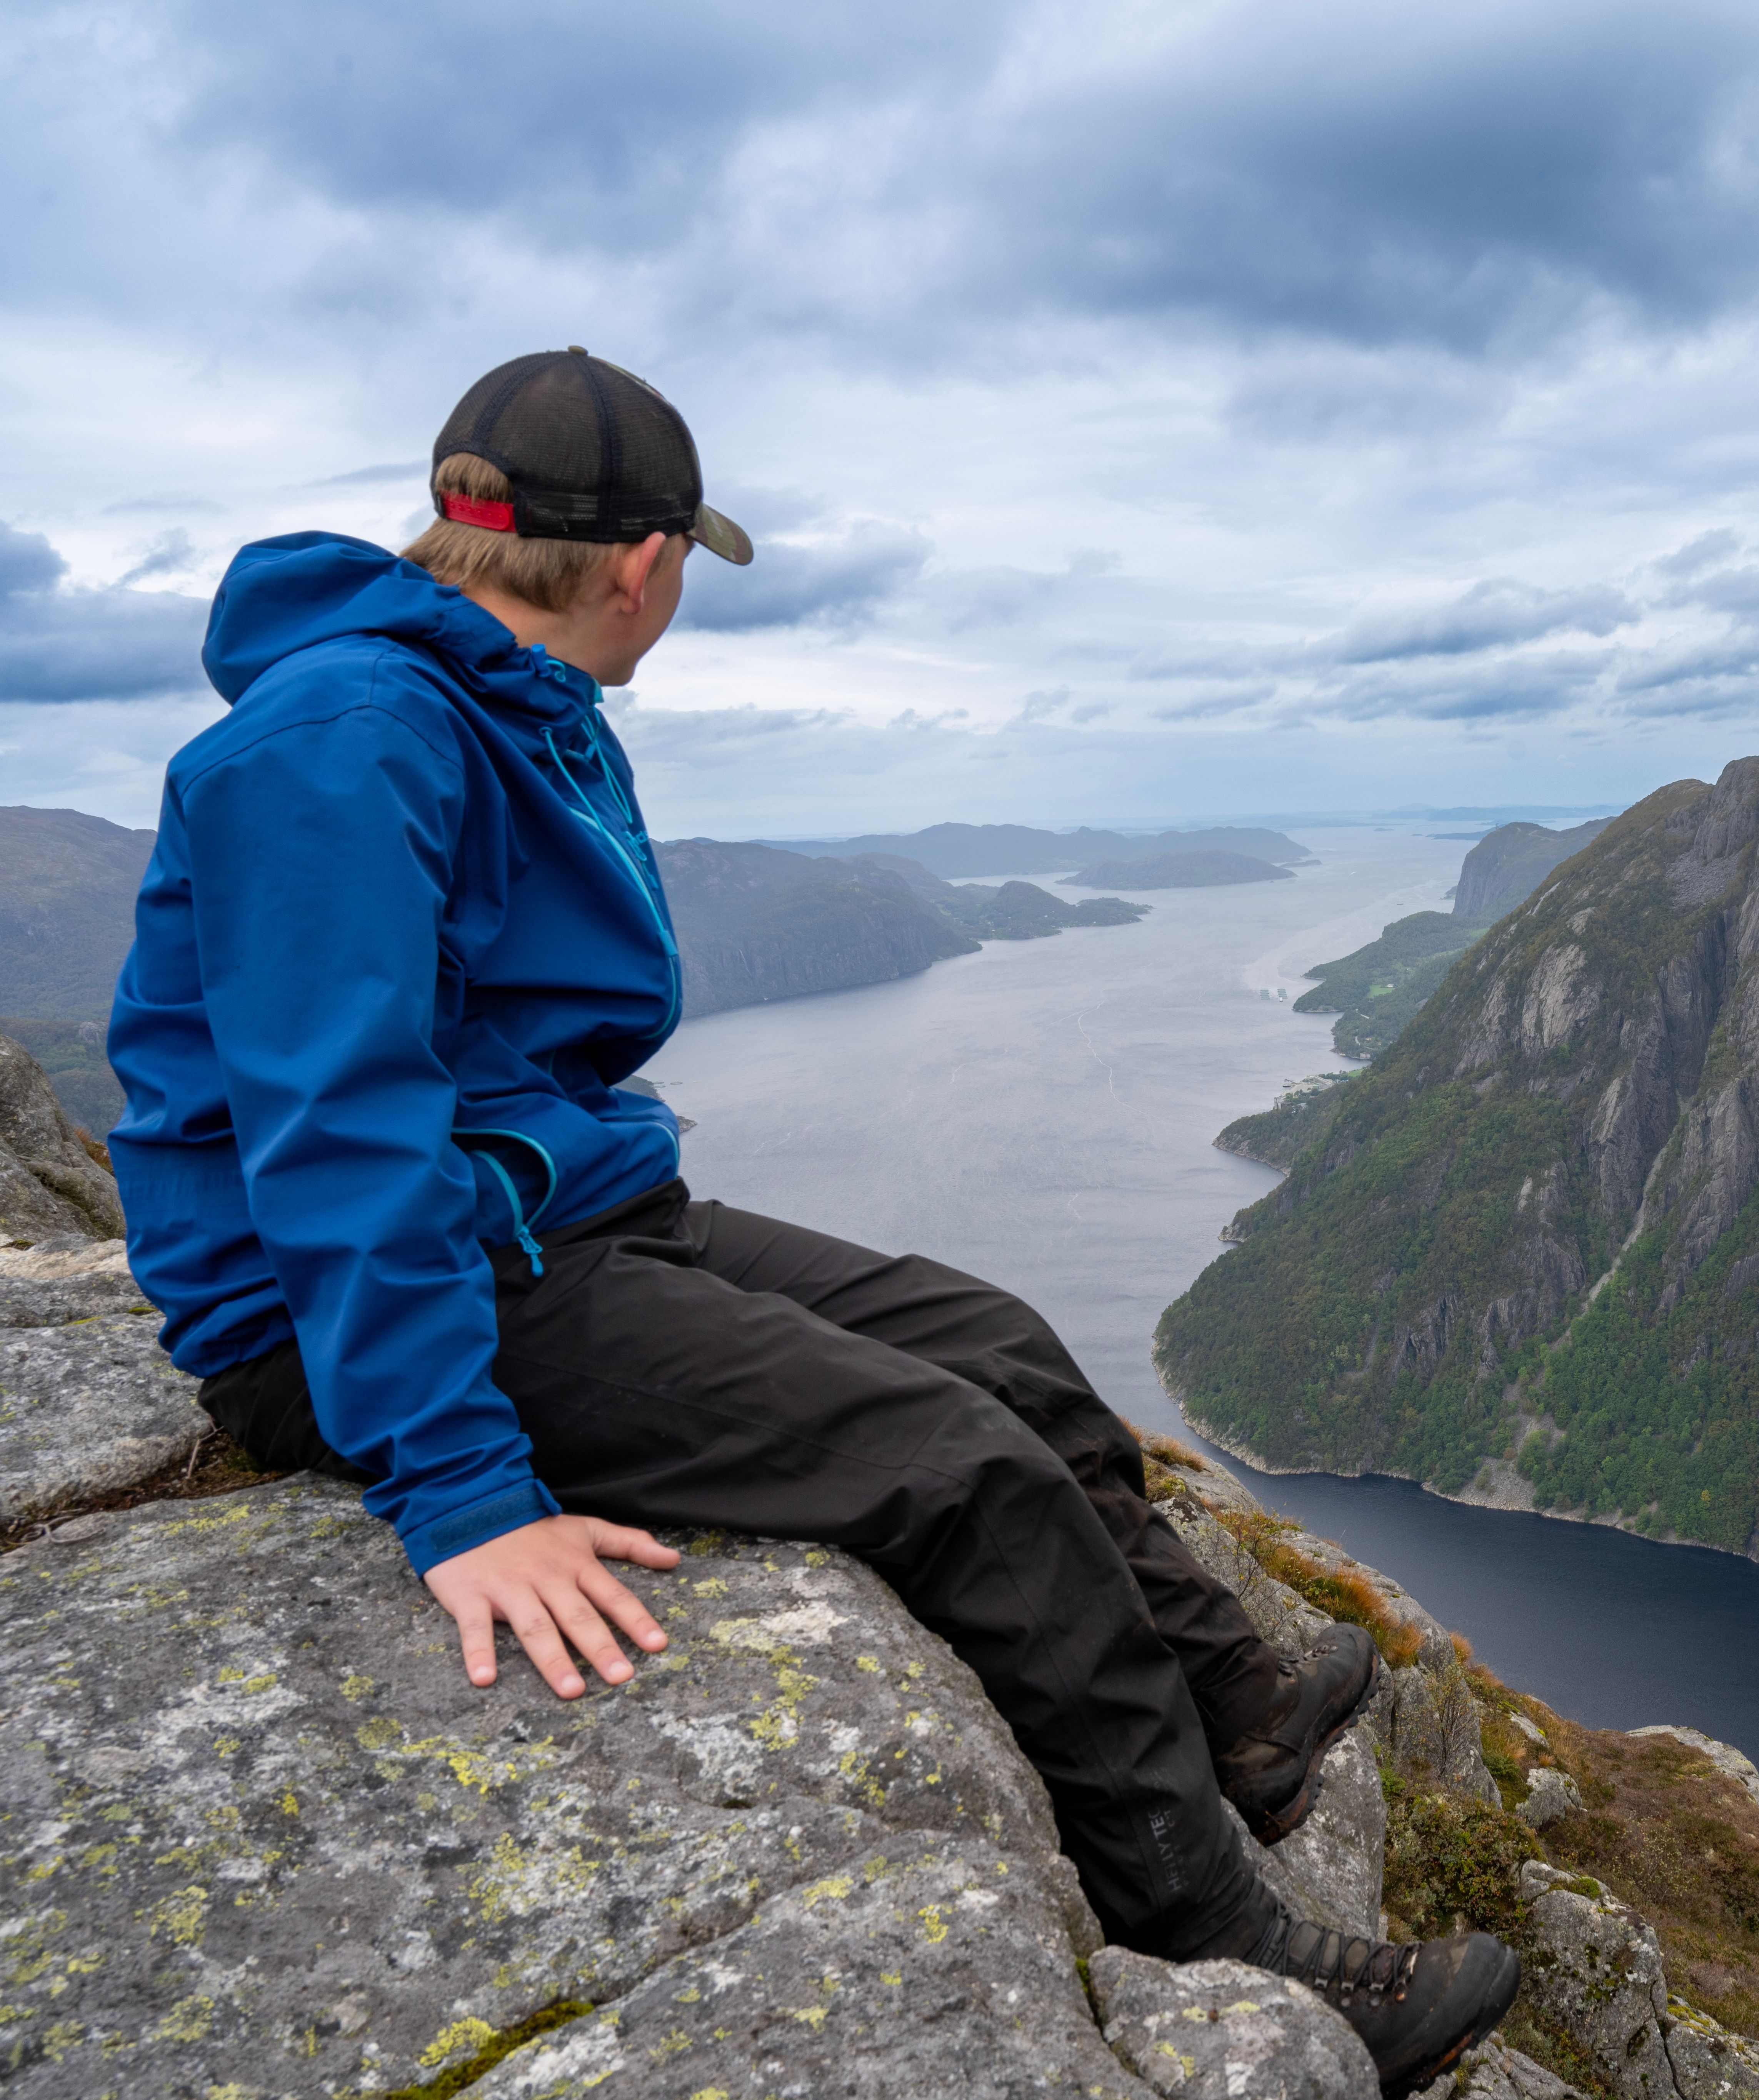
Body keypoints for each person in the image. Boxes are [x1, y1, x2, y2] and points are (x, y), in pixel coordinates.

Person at [105, 348, 1518, 2094]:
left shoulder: (491, 699)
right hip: (351, 1320)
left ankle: (1232, 1698)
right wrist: (463, 1494)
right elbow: (333, 1137)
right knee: (953, 1467)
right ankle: (1208, 1918)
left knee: (989, 1334)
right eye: (686, 563)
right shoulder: (346, 739)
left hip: (554, 1218)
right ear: (642, 563)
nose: (679, 595)